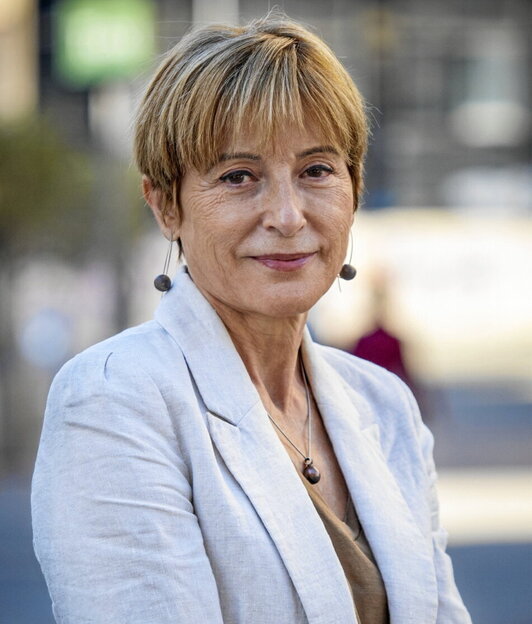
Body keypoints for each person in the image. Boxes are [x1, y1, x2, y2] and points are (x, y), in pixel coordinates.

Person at [31, 15, 472, 624]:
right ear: (165, 205)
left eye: (316, 171)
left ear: (354, 188)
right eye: (239, 177)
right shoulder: (113, 399)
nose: (287, 216)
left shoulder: (384, 405)